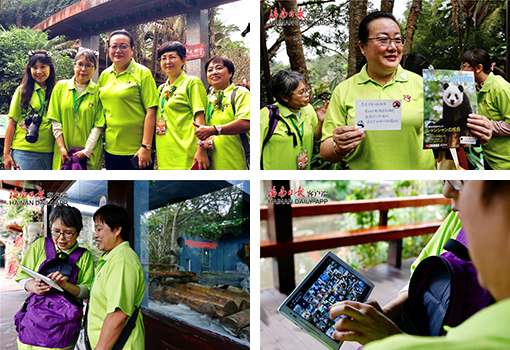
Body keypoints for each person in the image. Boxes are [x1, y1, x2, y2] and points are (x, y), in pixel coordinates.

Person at [330, 180, 510, 349]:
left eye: (461, 180)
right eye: (445, 179)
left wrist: (392, 340)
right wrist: (387, 313)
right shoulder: (459, 216)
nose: (446, 191)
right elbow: (421, 278)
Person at [320, 12, 436, 169]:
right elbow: (326, 151)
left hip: (420, 184)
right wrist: (338, 147)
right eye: (383, 40)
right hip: (367, 186)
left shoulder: (423, 84)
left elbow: (444, 132)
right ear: (362, 47)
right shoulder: (344, 90)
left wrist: (471, 130)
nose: (393, 47)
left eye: (397, 39)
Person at [15, 205, 94, 350]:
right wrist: (33, 286)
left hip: (64, 326)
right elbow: (22, 276)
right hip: (35, 320)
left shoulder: (84, 256)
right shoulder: (40, 246)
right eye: (56, 231)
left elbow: (86, 291)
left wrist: (66, 285)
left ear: (78, 233)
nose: (61, 238)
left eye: (68, 233)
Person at [98, 29, 158, 170]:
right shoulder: (104, 75)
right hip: (111, 148)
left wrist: (146, 146)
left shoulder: (143, 73)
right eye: (114, 46)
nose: (118, 50)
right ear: (109, 50)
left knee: (139, 190)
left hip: (137, 150)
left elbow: (151, 111)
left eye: (123, 46)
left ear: (132, 50)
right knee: (117, 189)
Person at [88, 204, 145, 350]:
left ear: (117, 230)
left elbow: (118, 316)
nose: (95, 235)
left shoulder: (122, 261)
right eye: (95, 229)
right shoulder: (111, 258)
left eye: (99, 229)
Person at [155, 41, 208, 170]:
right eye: (163, 58)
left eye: (172, 57)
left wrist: (201, 150)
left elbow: (200, 118)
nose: (167, 61)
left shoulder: (192, 83)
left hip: (187, 151)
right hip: (165, 153)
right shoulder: (161, 89)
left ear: (183, 60)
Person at [48, 48, 104, 170]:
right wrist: (62, 147)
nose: (83, 69)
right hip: (63, 151)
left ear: (94, 69)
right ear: (74, 66)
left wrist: (86, 151)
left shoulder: (98, 92)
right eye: (80, 64)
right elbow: (55, 121)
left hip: (90, 154)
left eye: (89, 65)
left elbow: (98, 126)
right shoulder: (60, 87)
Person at [260, 70, 327, 170]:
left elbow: (316, 137)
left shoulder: (308, 109)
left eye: (307, 90)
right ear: (284, 97)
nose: (307, 94)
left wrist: (321, 122)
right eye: (301, 93)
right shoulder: (267, 115)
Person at [193, 55, 250, 170]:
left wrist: (215, 130)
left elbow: (246, 123)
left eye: (219, 68)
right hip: (210, 164)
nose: (214, 72)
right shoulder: (206, 98)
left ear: (230, 73)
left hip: (237, 163)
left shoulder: (241, 93)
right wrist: (201, 149)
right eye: (210, 70)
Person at [4, 50, 56, 170]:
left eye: (43, 67)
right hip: (23, 151)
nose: (39, 71)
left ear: (50, 68)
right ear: (29, 70)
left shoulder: (57, 91)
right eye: (34, 67)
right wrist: (6, 154)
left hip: (50, 151)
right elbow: (12, 123)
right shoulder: (22, 91)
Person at [461, 49, 510, 170]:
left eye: (463, 67)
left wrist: (488, 126)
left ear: (478, 68)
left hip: (505, 163)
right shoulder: (475, 88)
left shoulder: (500, 88)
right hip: (488, 158)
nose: (460, 71)